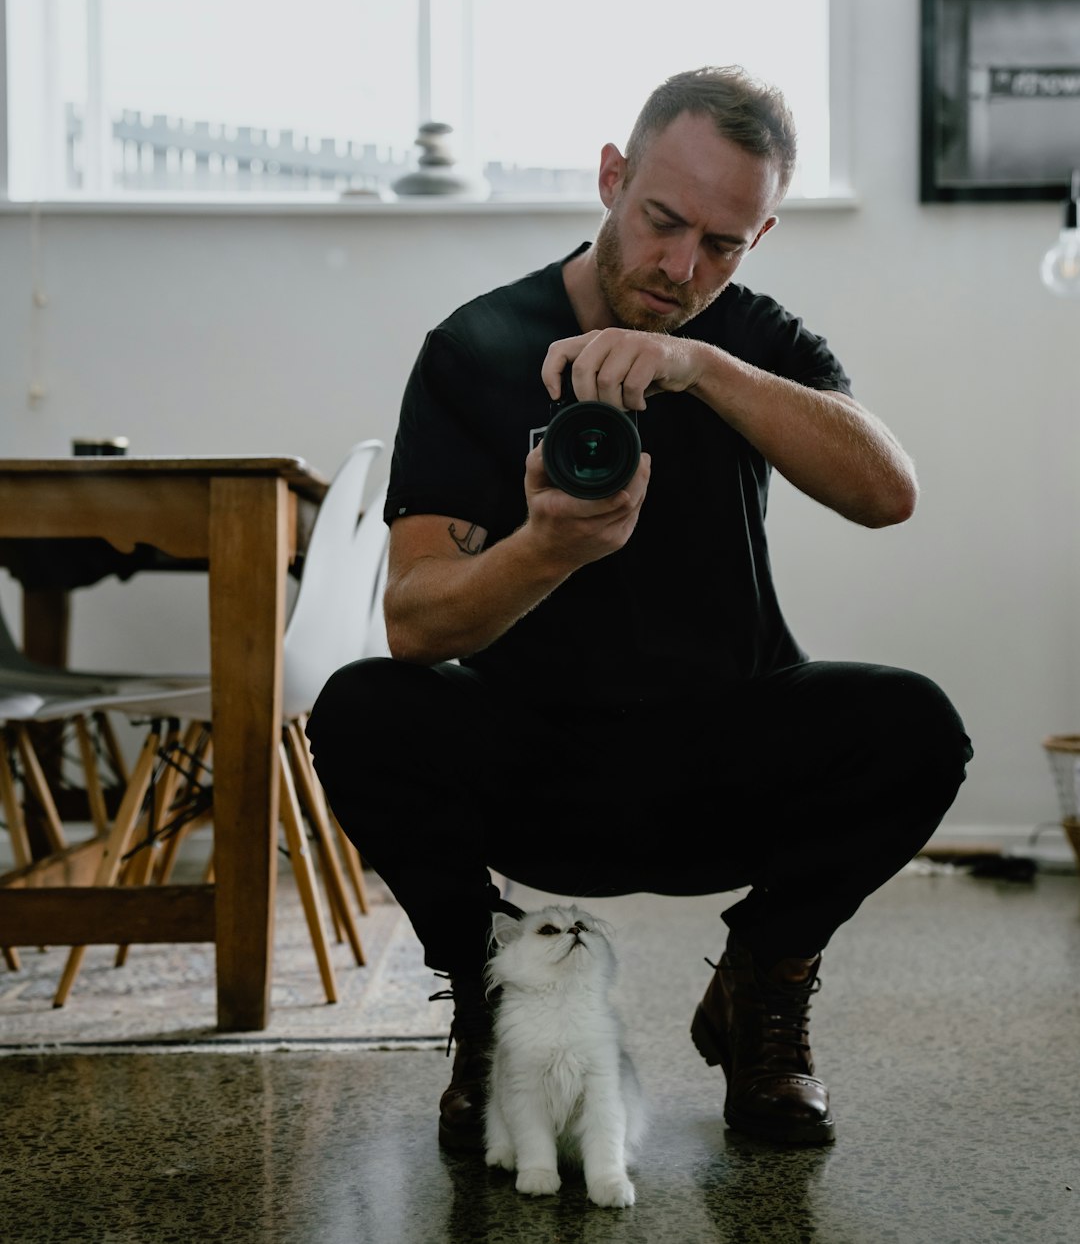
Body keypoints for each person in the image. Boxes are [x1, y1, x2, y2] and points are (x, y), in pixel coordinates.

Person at [307, 66, 972, 1152]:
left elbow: (889, 492)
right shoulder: (475, 349)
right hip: (538, 770)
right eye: (664, 221)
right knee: (361, 710)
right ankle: (492, 1004)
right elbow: (417, 624)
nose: (681, 267)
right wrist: (545, 552)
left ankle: (765, 980)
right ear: (613, 176)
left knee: (918, 727)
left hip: (728, 762)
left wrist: (699, 365)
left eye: (723, 244)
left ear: (759, 239)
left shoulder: (745, 340)